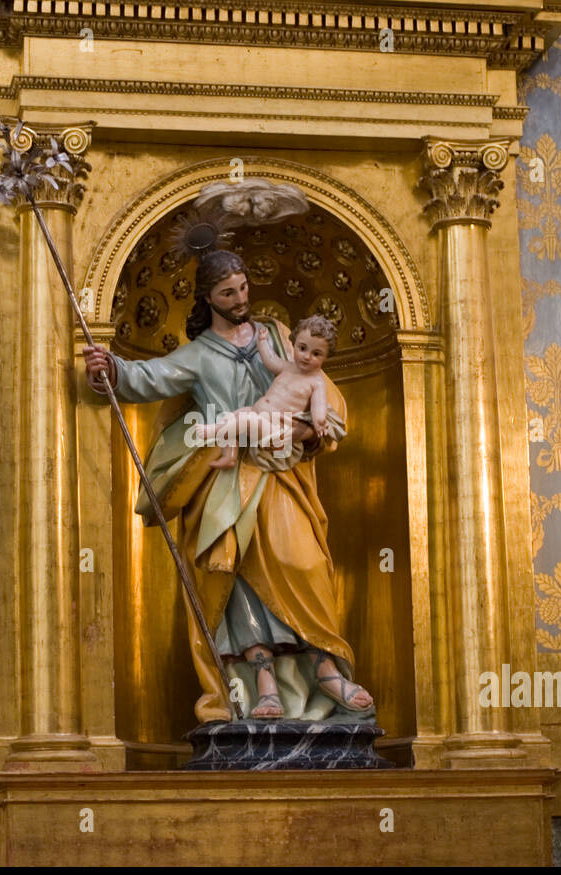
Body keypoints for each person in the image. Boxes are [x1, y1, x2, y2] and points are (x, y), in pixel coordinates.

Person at [82, 250, 374, 721]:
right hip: (224, 477)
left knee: (302, 562)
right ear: (208, 298)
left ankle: (324, 668)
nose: (240, 299)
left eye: (242, 288)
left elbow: (324, 388)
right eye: (227, 293)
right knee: (232, 578)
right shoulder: (198, 354)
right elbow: (148, 376)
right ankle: (261, 684)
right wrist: (111, 368)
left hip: (282, 474)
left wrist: (309, 430)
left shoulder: (278, 336)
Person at [188, 314, 340, 470]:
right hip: (260, 415)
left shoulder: (316, 382)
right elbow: (271, 361)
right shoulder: (289, 367)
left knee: (245, 421)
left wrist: (319, 419)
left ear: (326, 356)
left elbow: (319, 404)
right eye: (302, 348)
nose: (307, 356)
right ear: (293, 344)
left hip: (277, 428)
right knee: (234, 416)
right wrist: (262, 343)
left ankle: (212, 431)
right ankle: (229, 456)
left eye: (316, 354)